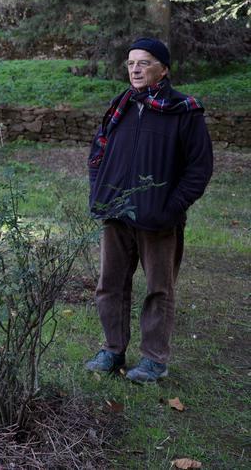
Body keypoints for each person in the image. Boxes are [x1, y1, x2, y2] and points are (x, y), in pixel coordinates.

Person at [84, 37, 213, 383]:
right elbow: (98, 152)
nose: (136, 69)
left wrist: (170, 208)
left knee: (159, 289)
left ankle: (154, 360)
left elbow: (199, 169)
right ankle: (112, 351)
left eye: (144, 63)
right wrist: (100, 192)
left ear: (164, 69)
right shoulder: (120, 106)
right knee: (109, 285)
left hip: (159, 220)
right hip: (116, 213)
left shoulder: (184, 110)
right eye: (130, 63)